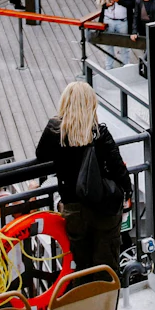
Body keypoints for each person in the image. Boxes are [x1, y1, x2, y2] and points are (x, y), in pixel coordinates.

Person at [35, 81, 131, 275]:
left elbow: (41, 156)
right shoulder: (100, 133)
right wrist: (125, 193)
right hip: (104, 206)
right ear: (91, 104)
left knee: (82, 266)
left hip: (74, 208)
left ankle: (86, 301)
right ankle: (106, 303)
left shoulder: (56, 132)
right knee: (107, 267)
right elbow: (118, 170)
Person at [95, 0, 136, 64]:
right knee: (108, 46)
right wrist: (107, 4)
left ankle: (125, 66)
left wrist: (119, 0)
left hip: (123, 21)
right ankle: (109, 68)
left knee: (125, 47)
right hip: (108, 20)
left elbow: (132, 4)